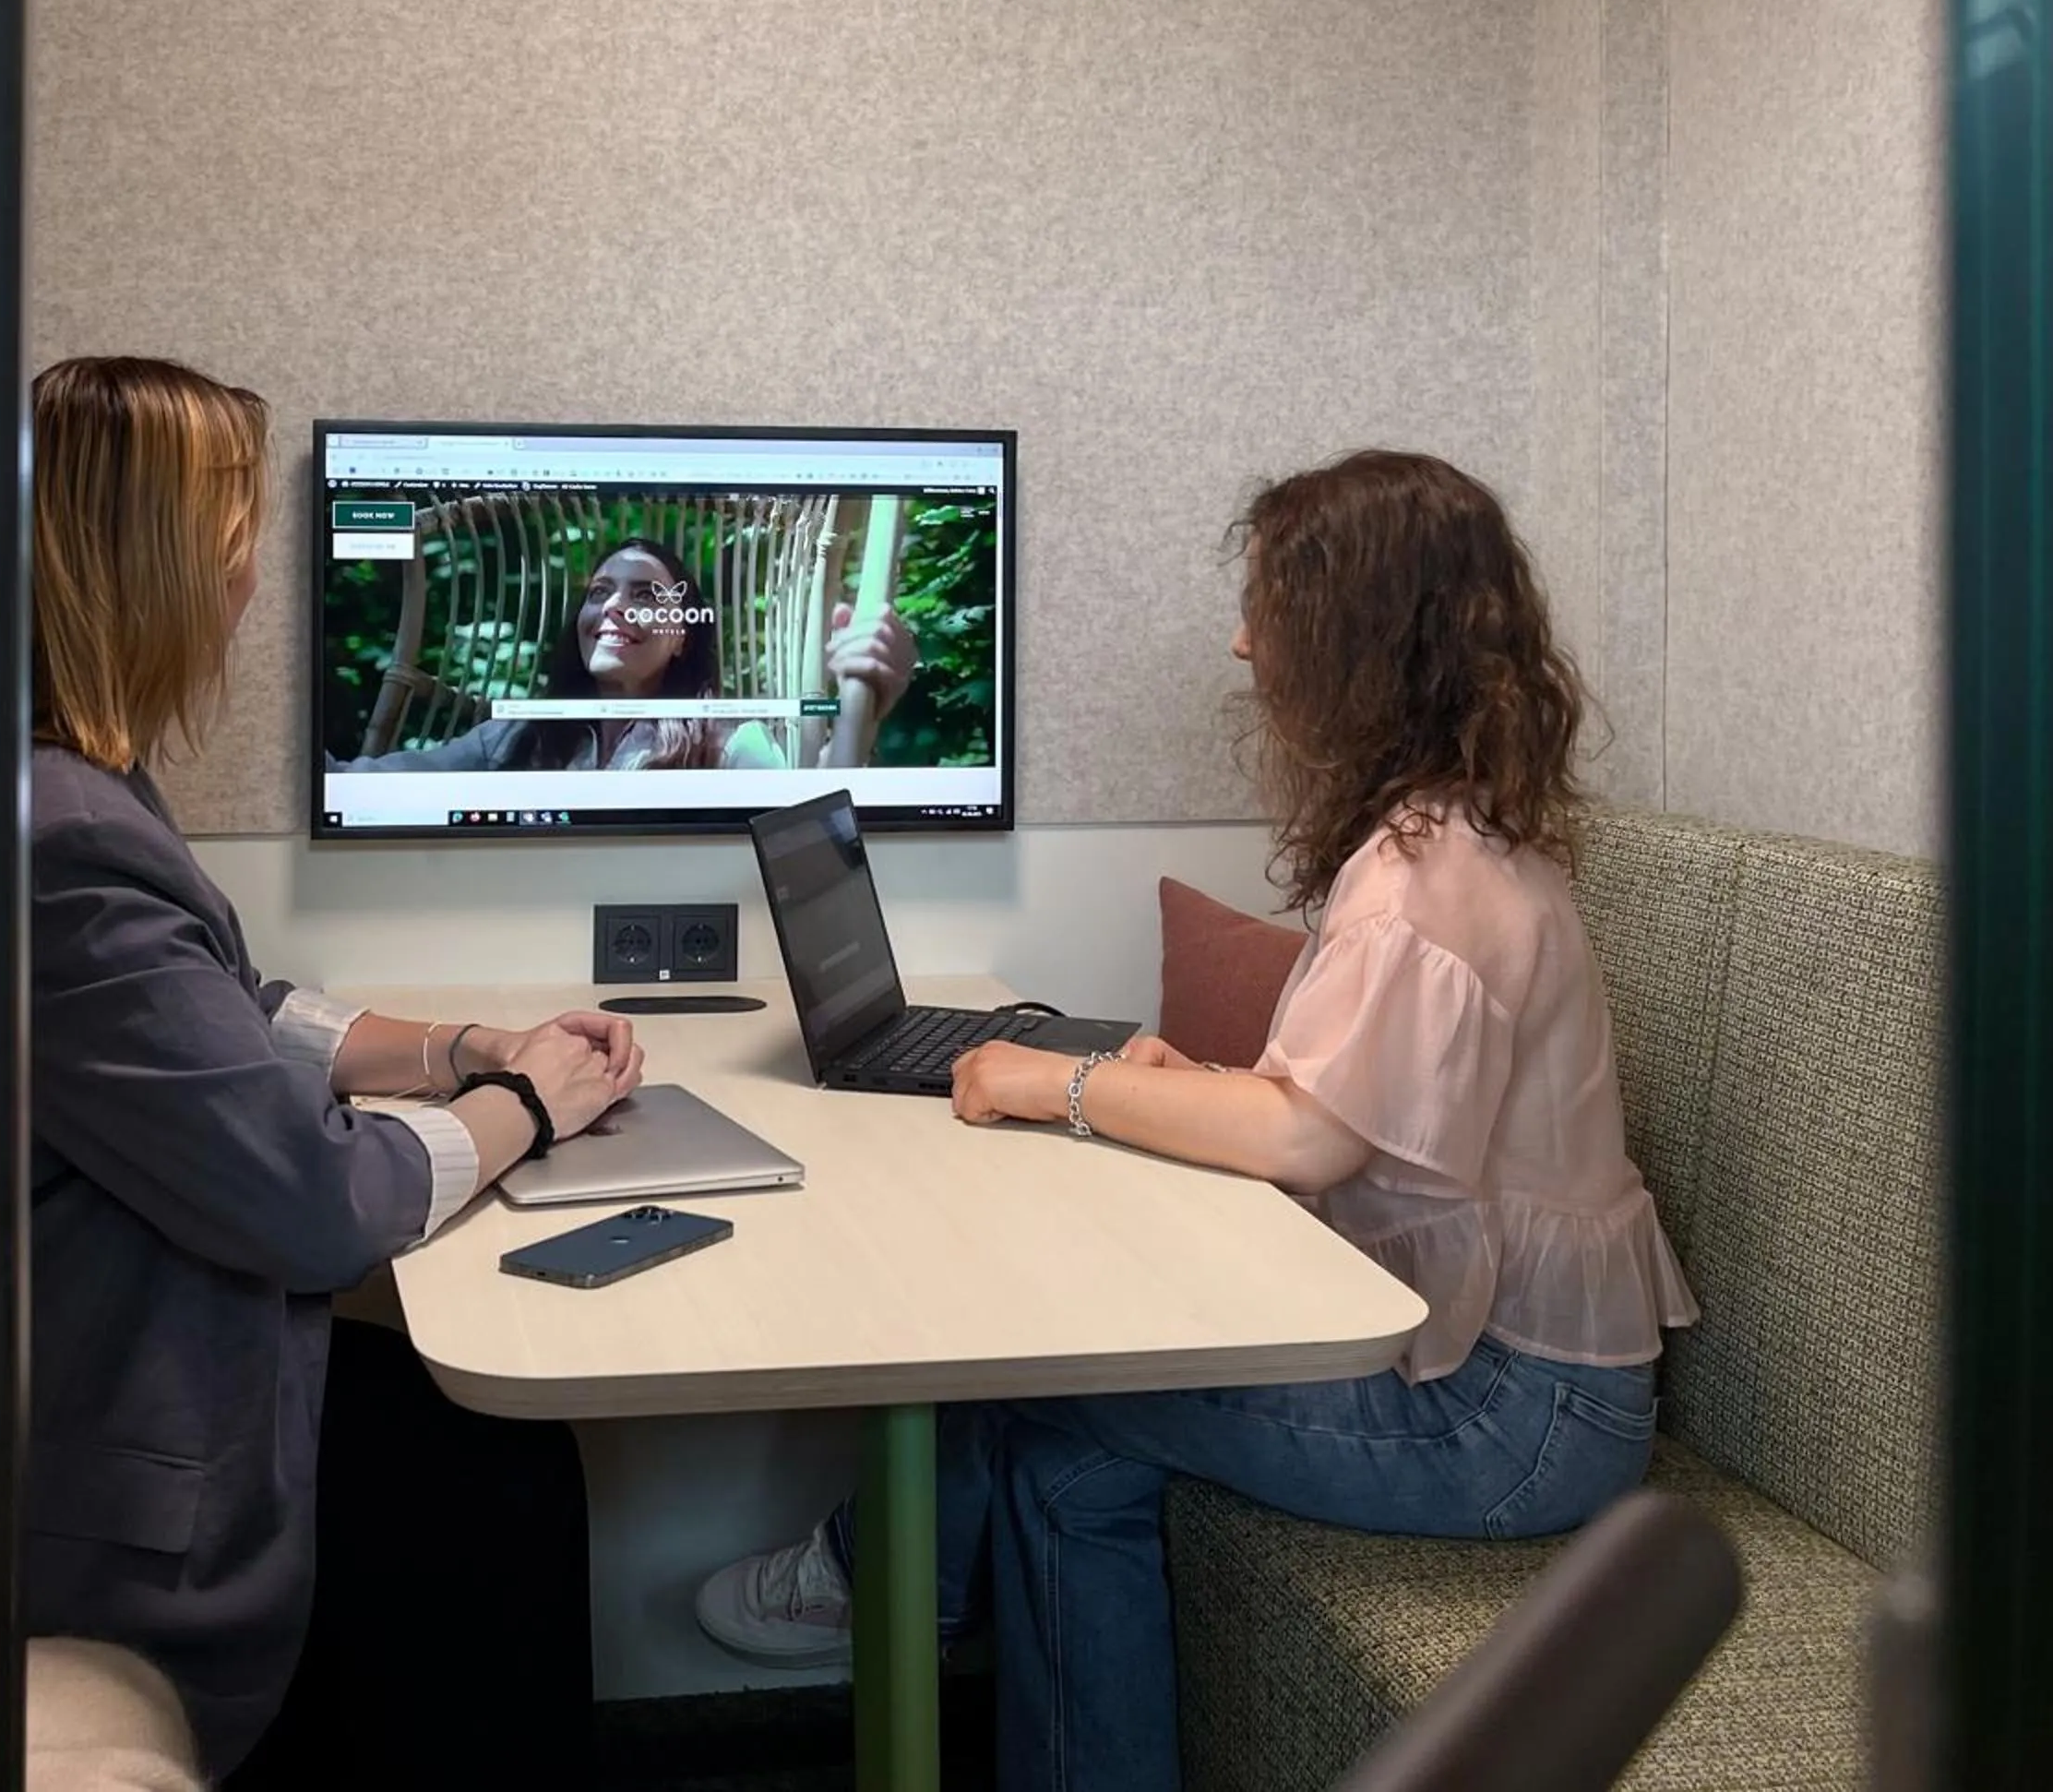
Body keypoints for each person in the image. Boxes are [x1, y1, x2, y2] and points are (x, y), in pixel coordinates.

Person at [695, 449, 1701, 1792]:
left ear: (1353, 635)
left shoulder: (1422, 880)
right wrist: (1191, 1084)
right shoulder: (1451, 836)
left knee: (1060, 1423)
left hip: (1511, 1422)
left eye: (1266, 608)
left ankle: (874, 1574)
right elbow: (1362, 1110)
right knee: (1058, 1419)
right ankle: (883, 1576)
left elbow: (1308, 1144)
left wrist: (1054, 1081)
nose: (1240, 640)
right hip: (1505, 1376)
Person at [22, 355, 647, 1786]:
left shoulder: (70, 777)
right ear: (160, 563)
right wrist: (532, 1103)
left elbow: (234, 1001)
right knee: (495, 1477)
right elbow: (312, 1199)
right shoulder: (65, 839)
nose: (253, 580)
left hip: (148, 1348)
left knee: (496, 1458)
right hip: (128, 1455)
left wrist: (458, 1049)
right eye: (236, 537)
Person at [332, 534, 915, 771]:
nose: (612, 608)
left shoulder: (729, 742)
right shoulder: (517, 738)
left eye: (644, 596)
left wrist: (859, 726)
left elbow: (810, 829)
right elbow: (379, 783)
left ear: (682, 632)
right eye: (600, 593)